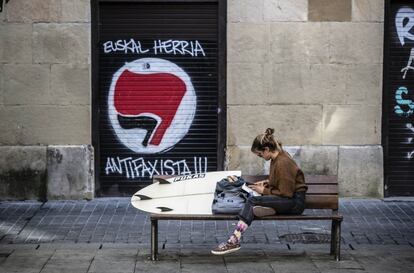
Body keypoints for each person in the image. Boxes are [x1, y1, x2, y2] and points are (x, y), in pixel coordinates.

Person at [211, 128, 308, 255]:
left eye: (260, 154)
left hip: (294, 203)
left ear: (266, 149)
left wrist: (264, 190)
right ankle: (268, 208)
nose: (260, 157)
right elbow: (282, 180)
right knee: (252, 198)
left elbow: (286, 193)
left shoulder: (283, 162)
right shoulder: (277, 158)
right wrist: (267, 182)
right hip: (287, 199)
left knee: (252, 200)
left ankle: (234, 240)